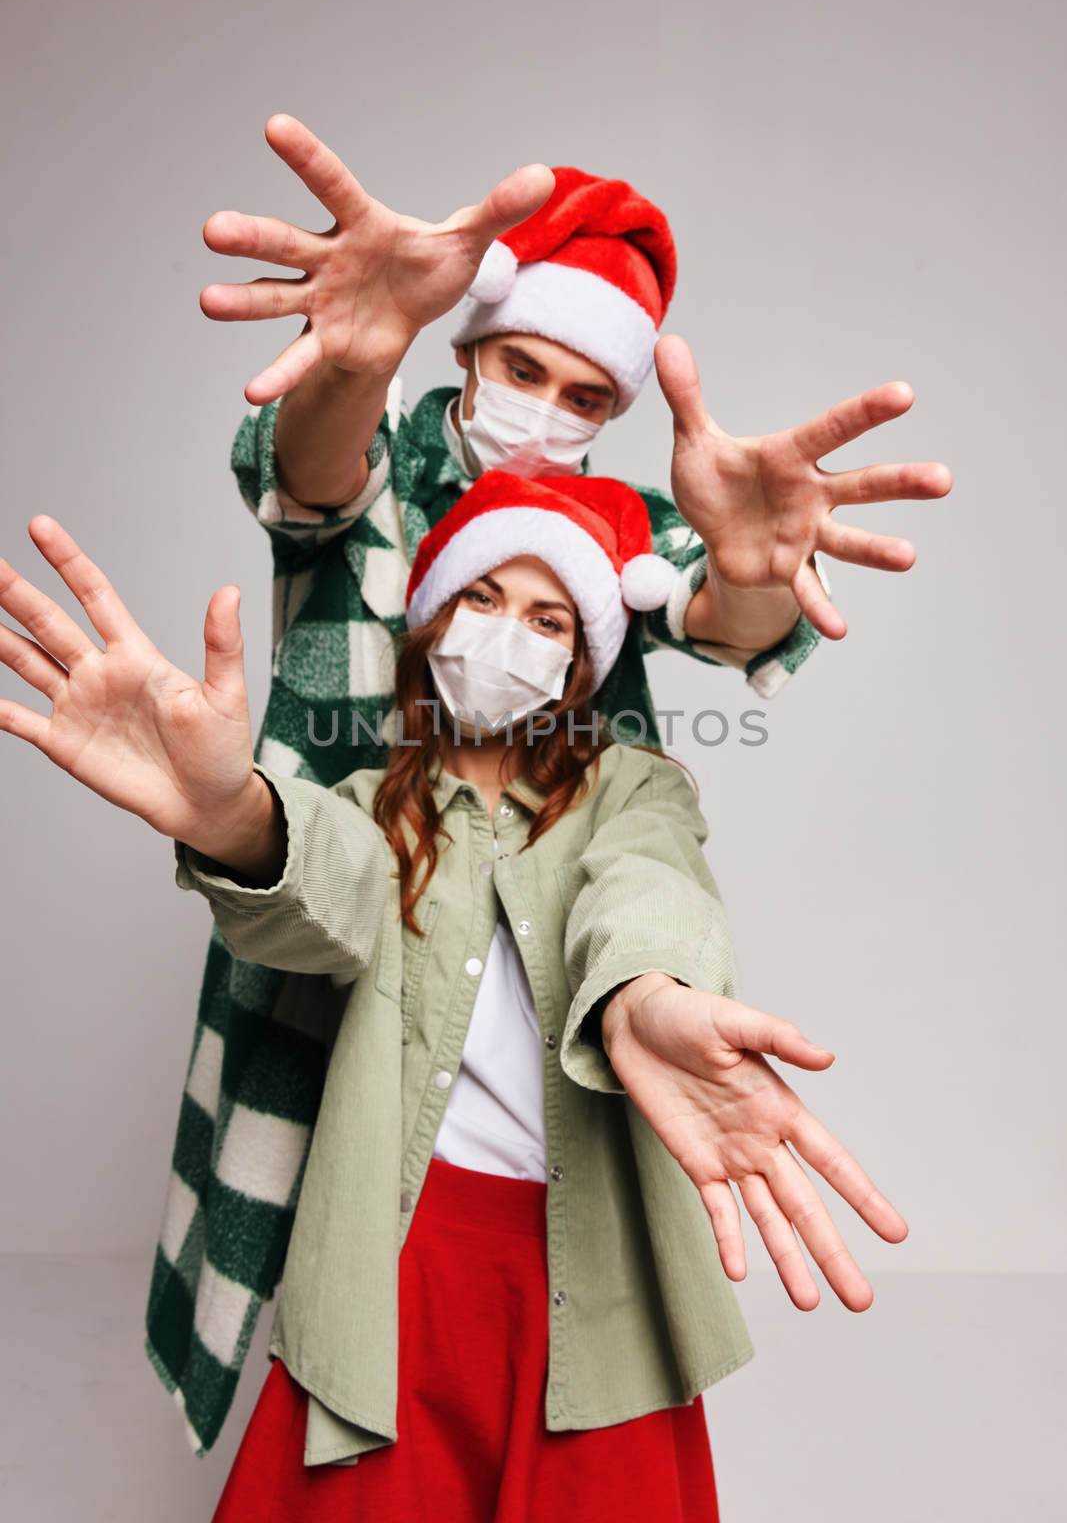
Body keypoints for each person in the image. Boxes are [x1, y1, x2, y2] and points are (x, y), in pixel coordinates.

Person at [146, 113, 950, 1458]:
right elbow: (310, 475)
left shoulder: (615, 531)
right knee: (326, 1270)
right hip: (327, 905)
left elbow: (712, 606)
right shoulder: (385, 463)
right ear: (465, 344)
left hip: (533, 941)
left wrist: (749, 571)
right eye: (523, 369)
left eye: (590, 398)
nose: (550, 414)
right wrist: (358, 355)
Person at [0, 474, 908, 1522]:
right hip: (394, 1265)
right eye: (480, 599)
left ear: (578, 661)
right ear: (429, 619)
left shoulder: (633, 785)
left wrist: (646, 997)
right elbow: (311, 884)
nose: (505, 636)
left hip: (592, 1271)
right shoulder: (364, 809)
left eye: (546, 617)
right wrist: (229, 814)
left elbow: (648, 886)